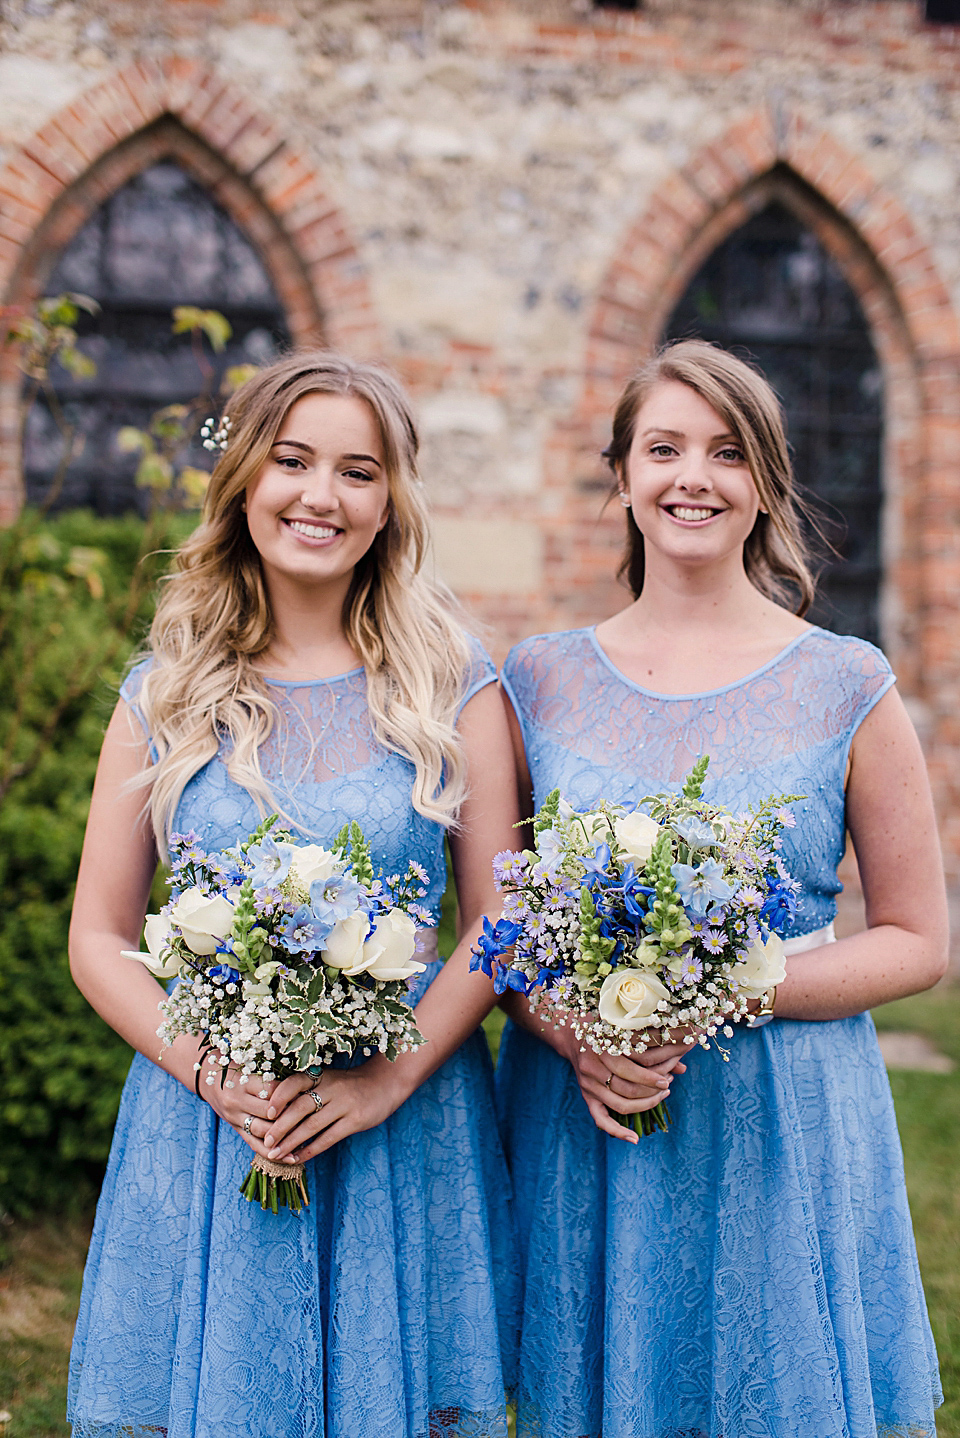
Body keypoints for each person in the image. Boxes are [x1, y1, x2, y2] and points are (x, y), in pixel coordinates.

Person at [496, 339, 946, 1438]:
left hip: (783, 1120)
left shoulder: (849, 682)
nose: (693, 476)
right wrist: (570, 1033)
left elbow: (918, 939)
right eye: (664, 448)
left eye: (727, 452)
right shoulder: (535, 680)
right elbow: (497, 932)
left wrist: (732, 984)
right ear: (622, 476)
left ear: (765, 488)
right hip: (595, 1119)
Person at [67, 352, 519, 1438]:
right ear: (245, 484)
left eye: (357, 471)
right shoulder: (163, 693)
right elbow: (96, 935)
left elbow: (503, 920)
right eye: (294, 460)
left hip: (402, 1124)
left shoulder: (456, 683)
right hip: (213, 1125)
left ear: (388, 504)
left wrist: (384, 1079)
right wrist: (215, 1074)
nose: (322, 495)